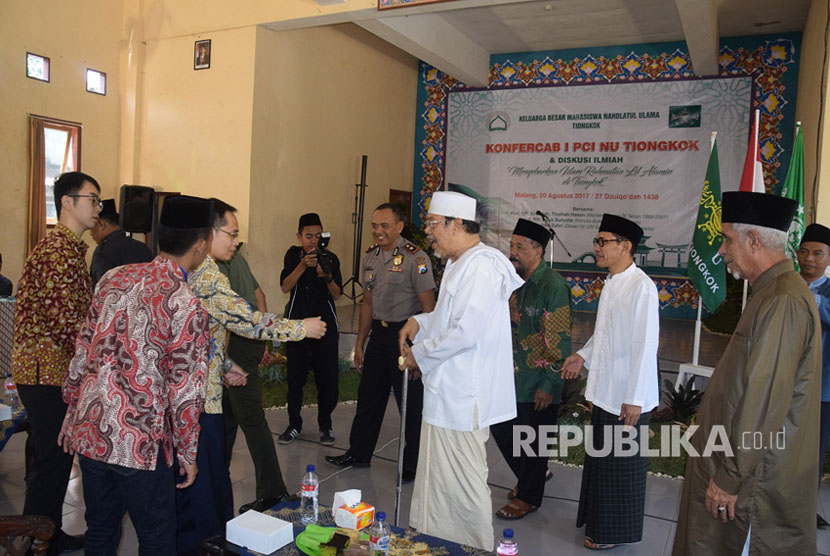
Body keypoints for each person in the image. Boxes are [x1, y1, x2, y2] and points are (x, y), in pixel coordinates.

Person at [57, 195, 213, 555]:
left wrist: (72, 414)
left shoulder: (114, 277)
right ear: (201, 245)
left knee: (100, 527)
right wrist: (188, 454)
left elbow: (83, 352)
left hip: (93, 432)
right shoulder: (186, 303)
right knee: (157, 536)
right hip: (140, 444)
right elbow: (186, 392)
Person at [672, 192, 820, 556]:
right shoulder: (770, 291)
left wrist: (729, 476)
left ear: (754, 239)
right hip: (741, 465)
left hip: (755, 482)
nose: (721, 251)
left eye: (727, 239)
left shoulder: (783, 299)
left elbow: (765, 396)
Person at [182, 200, 326, 553]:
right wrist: (300, 329)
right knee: (200, 490)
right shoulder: (206, 274)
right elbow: (245, 318)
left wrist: (224, 364)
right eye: (231, 234)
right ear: (207, 234)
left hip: (207, 383)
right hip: (196, 399)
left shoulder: (198, 268)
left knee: (210, 472)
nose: (235, 242)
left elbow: (200, 333)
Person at [398, 191, 522, 551]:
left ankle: (474, 547)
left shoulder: (481, 266)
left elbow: (467, 331)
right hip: (445, 394)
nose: (429, 233)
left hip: (463, 398)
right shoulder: (458, 262)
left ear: (455, 224)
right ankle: (438, 545)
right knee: (439, 486)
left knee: (464, 489)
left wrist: (419, 356)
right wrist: (419, 321)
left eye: (434, 225)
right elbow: (447, 318)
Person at [11, 171, 102, 553]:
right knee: (52, 458)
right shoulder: (55, 252)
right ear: (68, 201)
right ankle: (33, 537)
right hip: (44, 371)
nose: (98, 208)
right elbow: (65, 322)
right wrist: (98, 361)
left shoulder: (69, 250)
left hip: (55, 370)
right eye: (93, 199)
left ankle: (47, 532)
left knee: (58, 456)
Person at [561, 213, 659, 550]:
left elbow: (645, 346)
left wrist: (634, 397)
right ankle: (597, 521)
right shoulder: (612, 282)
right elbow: (605, 334)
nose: (597, 248)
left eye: (603, 242)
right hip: (605, 390)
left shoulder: (641, 287)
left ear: (626, 246)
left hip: (626, 395)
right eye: (596, 242)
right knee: (603, 460)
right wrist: (583, 355)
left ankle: (612, 532)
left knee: (620, 467)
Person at [325, 203, 435, 479]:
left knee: (410, 403)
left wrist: (420, 352)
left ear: (399, 226)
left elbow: (429, 310)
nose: (378, 231)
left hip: (406, 338)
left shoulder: (416, 259)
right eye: (375, 226)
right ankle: (359, 452)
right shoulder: (370, 258)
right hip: (379, 335)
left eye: (385, 226)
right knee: (368, 398)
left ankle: (413, 463)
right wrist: (360, 343)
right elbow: (367, 303)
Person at [491, 218, 571, 521]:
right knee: (502, 428)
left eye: (519, 247)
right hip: (513, 376)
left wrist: (549, 384)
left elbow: (560, 340)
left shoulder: (553, 287)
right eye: (511, 246)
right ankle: (530, 477)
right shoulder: (517, 283)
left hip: (538, 381)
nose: (512, 252)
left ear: (537, 251)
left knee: (533, 440)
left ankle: (528, 497)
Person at [216, 248, 292, 513]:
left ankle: (273, 492)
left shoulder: (220, 259)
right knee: (224, 415)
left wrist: (224, 361)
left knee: (250, 417)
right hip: (245, 340)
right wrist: (264, 341)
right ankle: (215, 481)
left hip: (235, 343)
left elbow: (225, 318)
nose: (234, 241)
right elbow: (259, 294)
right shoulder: (231, 258)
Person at [279, 213, 342, 445]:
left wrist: (326, 276)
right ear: (299, 236)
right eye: (308, 236)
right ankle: (294, 424)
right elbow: (285, 287)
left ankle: (326, 425)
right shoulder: (292, 256)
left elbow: (337, 294)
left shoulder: (331, 259)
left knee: (328, 381)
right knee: (295, 379)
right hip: (297, 327)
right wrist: (302, 266)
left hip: (325, 329)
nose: (313, 241)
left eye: (317, 236)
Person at [797, 223, 830, 529]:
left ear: (828, 258)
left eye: (818, 253)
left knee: (812, 454)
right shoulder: (787, 284)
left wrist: (811, 299)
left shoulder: (826, 292)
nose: (809, 258)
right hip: (786, 385)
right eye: (804, 251)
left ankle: (805, 510)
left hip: (822, 390)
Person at [89, 198, 153, 286]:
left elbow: (103, 291)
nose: (90, 233)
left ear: (101, 224)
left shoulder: (103, 253)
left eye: (92, 226)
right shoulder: (142, 247)